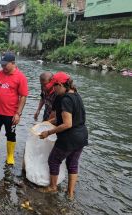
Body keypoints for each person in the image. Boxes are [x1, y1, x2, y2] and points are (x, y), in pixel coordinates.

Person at [39, 71, 88, 200]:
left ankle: (52, 187)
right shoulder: (76, 95)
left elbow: (67, 124)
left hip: (69, 138)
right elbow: (62, 119)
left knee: (53, 160)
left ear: (60, 84)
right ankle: (70, 193)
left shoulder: (66, 100)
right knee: (73, 164)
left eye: (54, 86)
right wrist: (47, 123)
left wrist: (48, 132)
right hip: (81, 136)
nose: (53, 89)